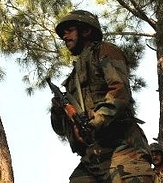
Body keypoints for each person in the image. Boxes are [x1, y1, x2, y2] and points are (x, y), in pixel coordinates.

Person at [50, 10, 154, 182]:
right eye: (62, 33)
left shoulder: (104, 51)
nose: (64, 36)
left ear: (86, 31)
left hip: (123, 149)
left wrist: (95, 123)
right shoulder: (70, 81)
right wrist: (57, 112)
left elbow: (119, 90)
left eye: (69, 30)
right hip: (92, 158)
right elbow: (60, 129)